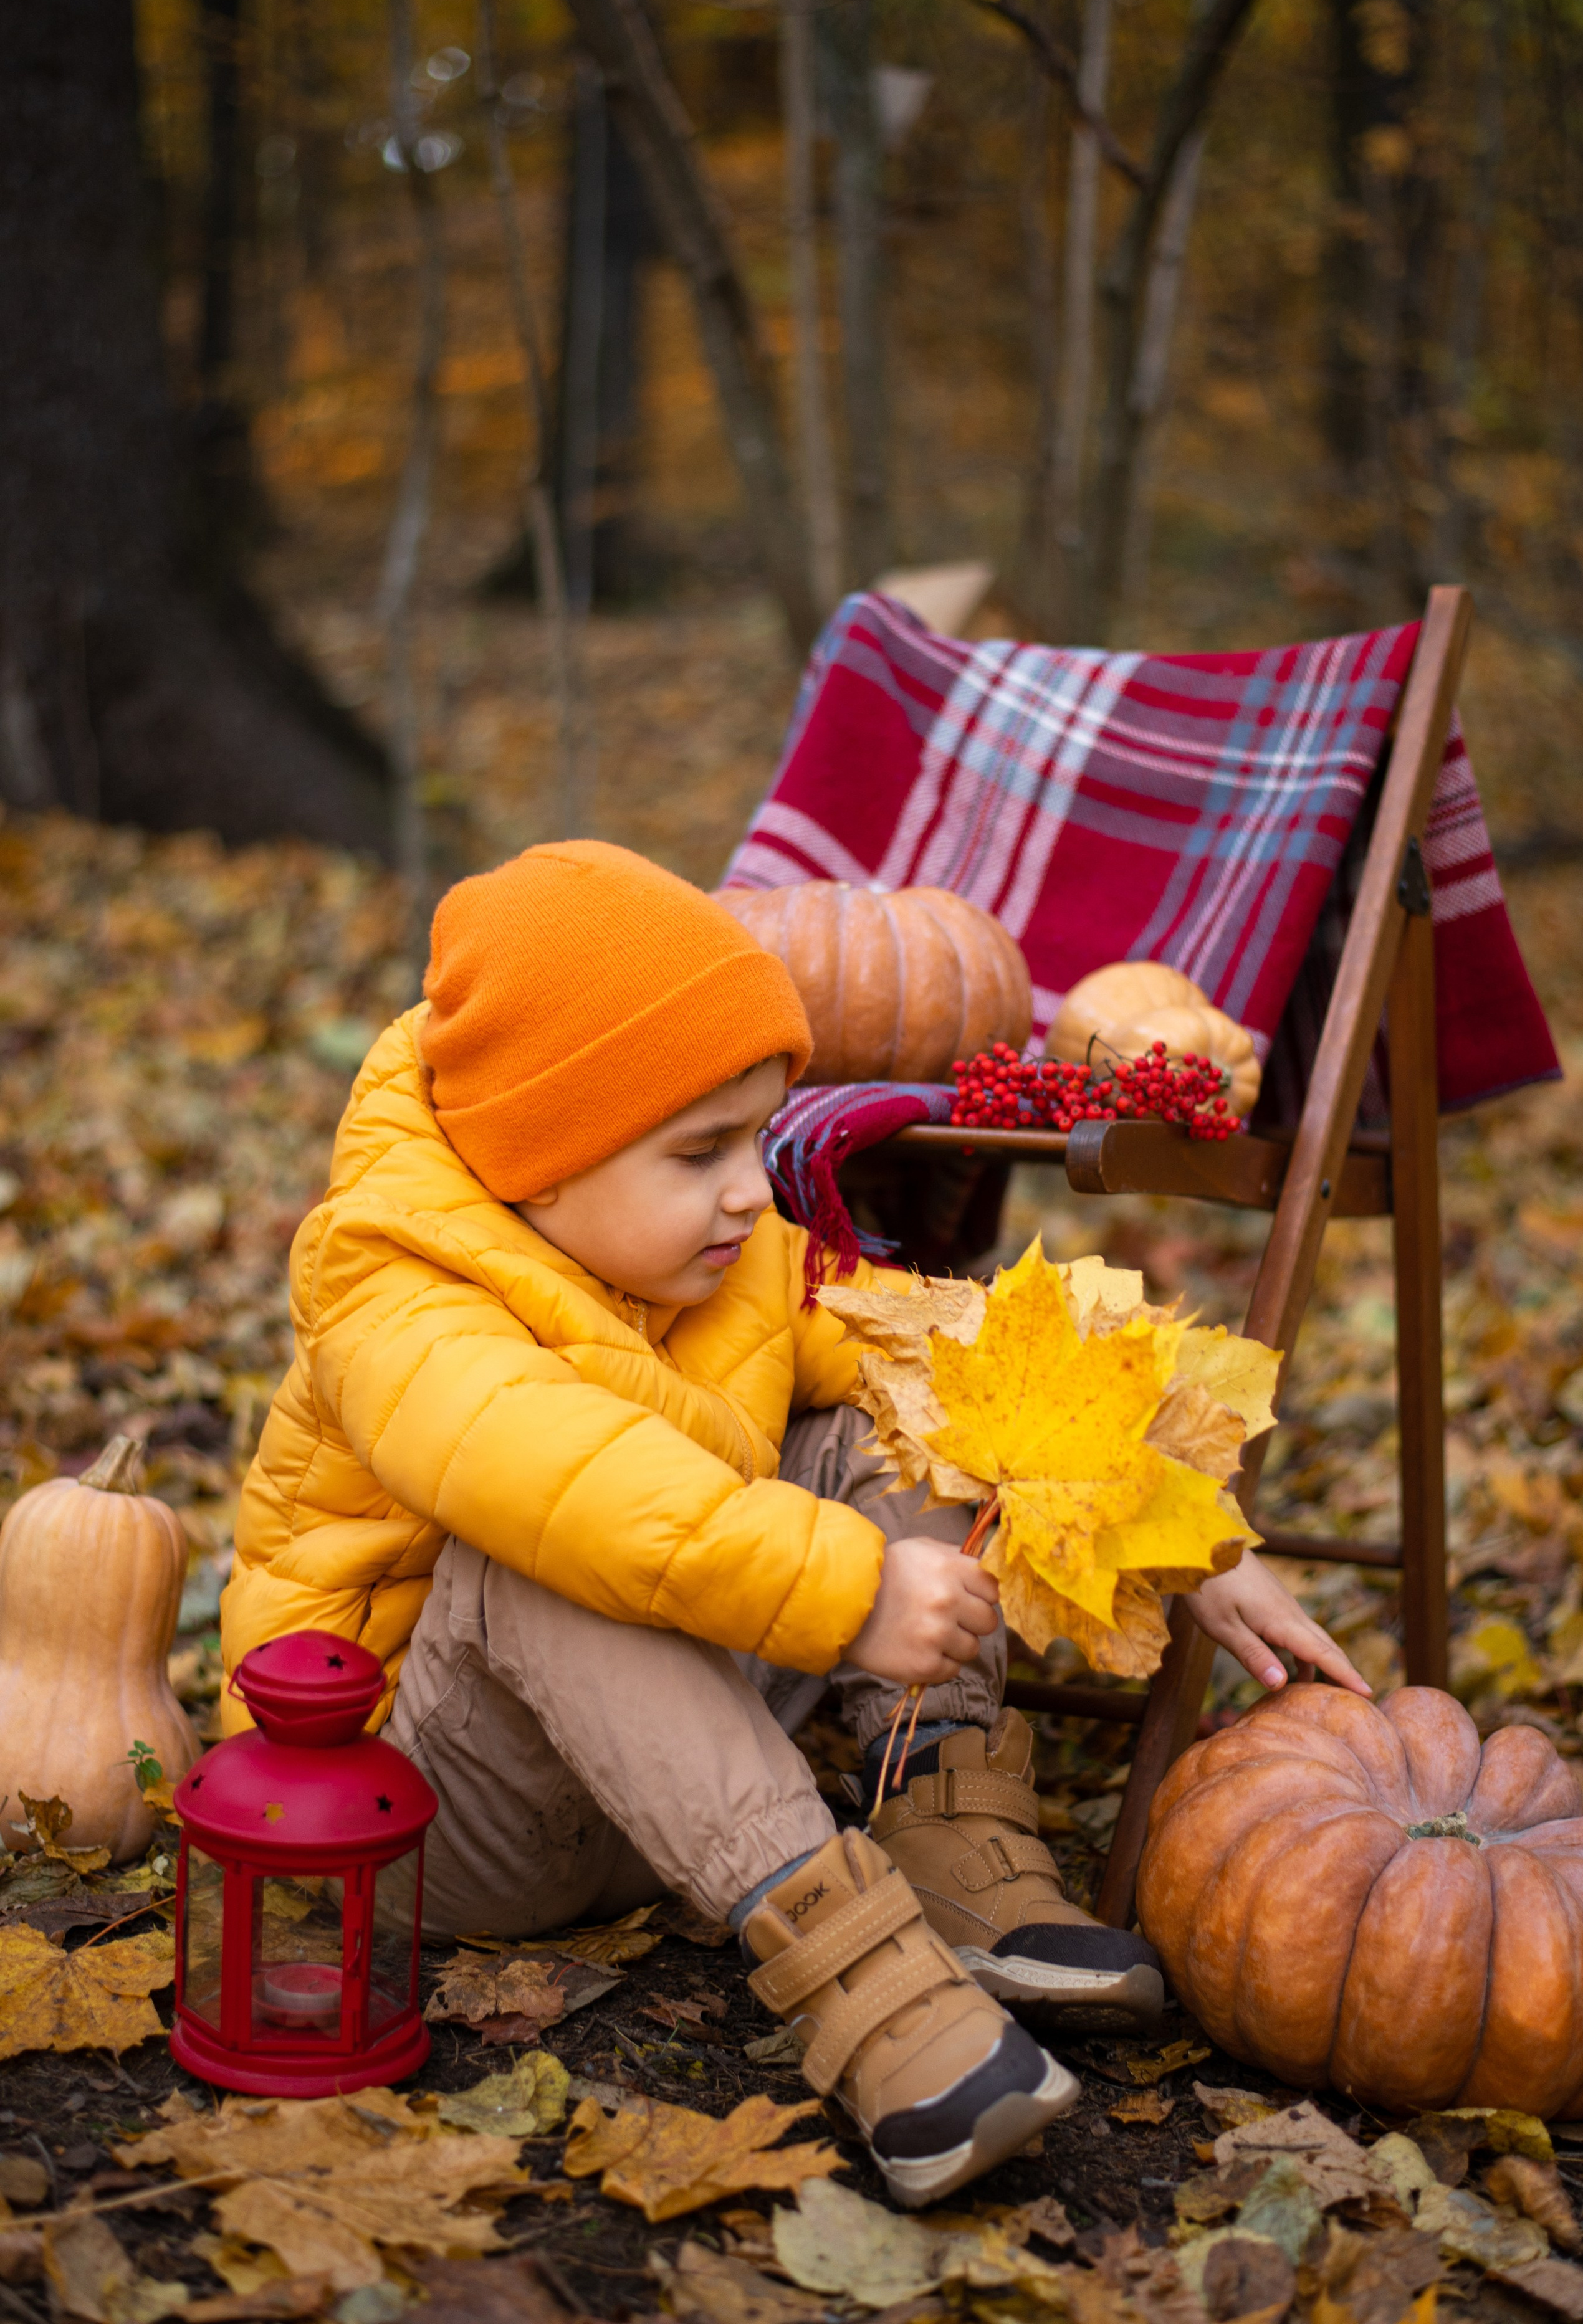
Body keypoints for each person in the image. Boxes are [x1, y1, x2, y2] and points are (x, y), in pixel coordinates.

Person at [221, 840, 1370, 2206]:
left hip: (665, 1777)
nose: (747, 1193)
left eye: (756, 1140)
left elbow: (943, 1353)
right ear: (540, 1160)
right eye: (697, 1152)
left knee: (899, 1410)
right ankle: (875, 1995)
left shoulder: (723, 1248)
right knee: (538, 1557)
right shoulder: (391, 1286)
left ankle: (943, 1819)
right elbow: (578, 1484)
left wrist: (1181, 1537)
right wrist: (852, 1591)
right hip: (432, 1815)